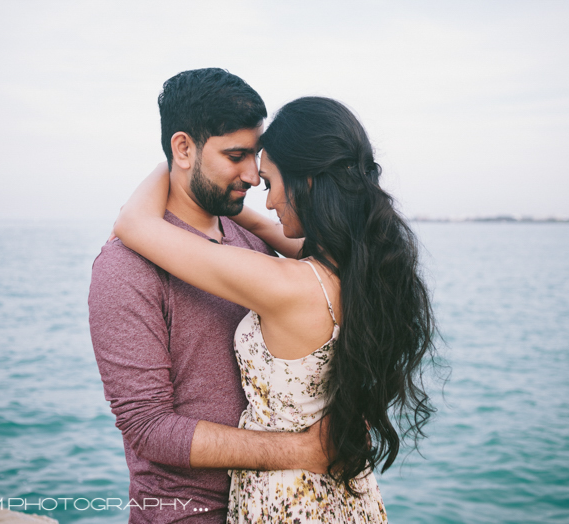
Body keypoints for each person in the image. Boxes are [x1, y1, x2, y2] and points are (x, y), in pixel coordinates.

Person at [114, 96, 437, 523]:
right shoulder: (362, 266)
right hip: (347, 497)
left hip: (288, 499)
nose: (265, 201)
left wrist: (175, 162)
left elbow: (133, 225)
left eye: (268, 183)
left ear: (305, 183)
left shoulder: (285, 284)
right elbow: (267, 226)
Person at [89, 70, 331, 524]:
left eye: (255, 156)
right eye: (236, 155)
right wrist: (301, 451)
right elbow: (149, 428)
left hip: (282, 505)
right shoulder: (125, 267)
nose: (254, 175)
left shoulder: (252, 239)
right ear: (183, 149)